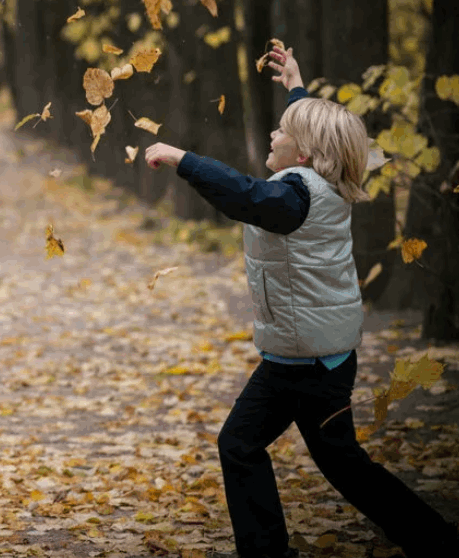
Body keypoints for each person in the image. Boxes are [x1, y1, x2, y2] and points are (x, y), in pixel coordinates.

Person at [144, 45, 459, 558]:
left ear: (305, 154)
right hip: (318, 356)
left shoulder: (293, 197)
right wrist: (296, 84)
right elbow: (311, 139)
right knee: (338, 463)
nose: (273, 134)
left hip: (305, 365)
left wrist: (184, 159)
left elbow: (243, 195)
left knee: (245, 445)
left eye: (281, 131)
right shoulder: (322, 182)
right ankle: (434, 540)